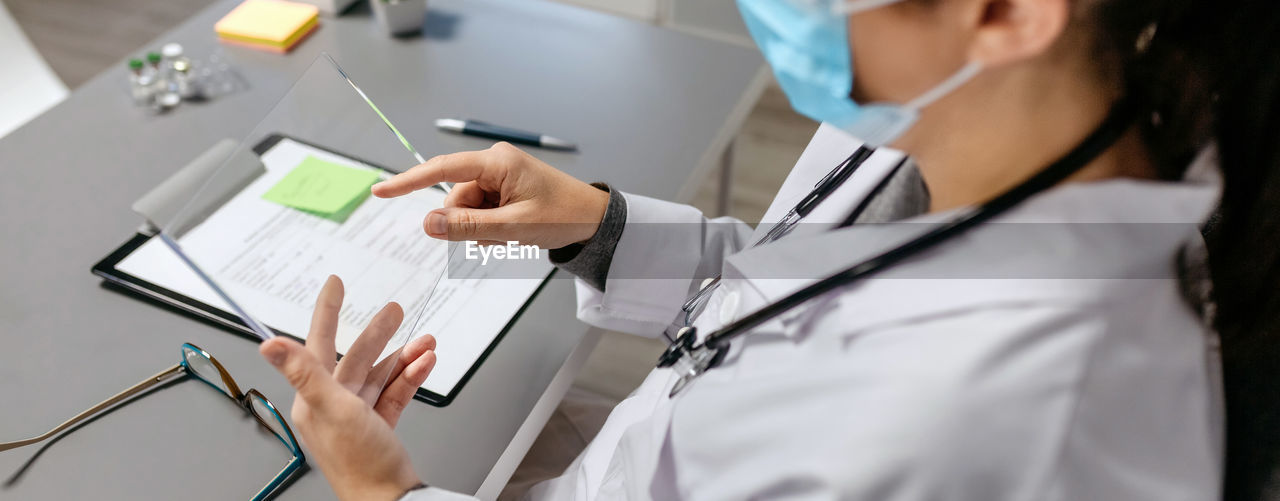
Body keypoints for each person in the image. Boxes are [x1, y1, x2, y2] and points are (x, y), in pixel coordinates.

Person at [256, 0, 1280, 499]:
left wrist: (382, 489)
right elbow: (812, 280)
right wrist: (596, 225)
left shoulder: (962, 425)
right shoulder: (988, 134)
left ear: (1006, 14)